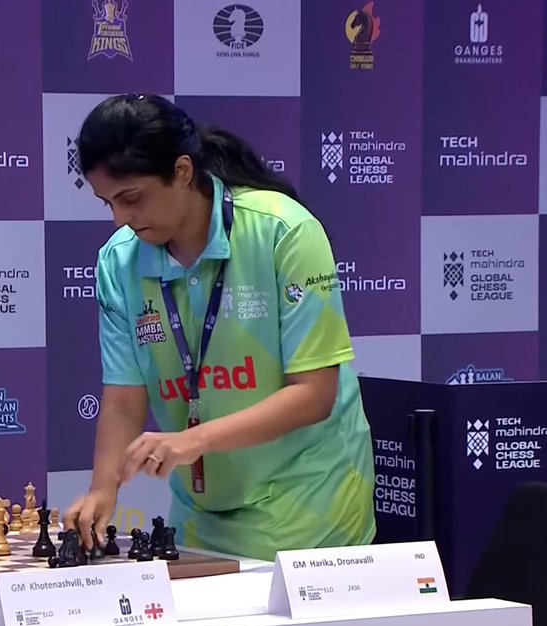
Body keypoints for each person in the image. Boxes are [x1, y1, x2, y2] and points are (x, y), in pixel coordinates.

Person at [64, 94, 376, 561]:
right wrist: (103, 489)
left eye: (131, 198)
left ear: (182, 171)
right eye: (107, 202)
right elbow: (124, 397)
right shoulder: (118, 261)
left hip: (309, 504)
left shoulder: (284, 230)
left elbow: (314, 394)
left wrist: (192, 440)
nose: (120, 218)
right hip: (202, 513)